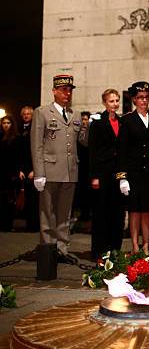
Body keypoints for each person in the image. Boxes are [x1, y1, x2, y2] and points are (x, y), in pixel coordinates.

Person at [30, 75, 88, 257]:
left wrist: (87, 126)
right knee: (47, 214)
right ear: (54, 91)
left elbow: (83, 142)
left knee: (65, 214)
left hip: (70, 172)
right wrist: (39, 173)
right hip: (49, 171)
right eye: (63, 90)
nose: (67, 93)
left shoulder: (75, 114)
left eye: (69, 90)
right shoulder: (42, 112)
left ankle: (62, 250)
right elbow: (36, 144)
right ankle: (48, 251)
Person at [117, 81, 149, 254]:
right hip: (135, 172)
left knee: (148, 210)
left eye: (146, 97)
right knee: (135, 210)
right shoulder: (127, 120)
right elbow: (122, 150)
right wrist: (122, 177)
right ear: (134, 100)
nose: (144, 100)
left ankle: (146, 245)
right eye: (140, 98)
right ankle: (135, 245)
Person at [89, 89, 125, 260]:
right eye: (111, 101)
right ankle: (99, 250)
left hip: (117, 172)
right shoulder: (97, 123)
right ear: (104, 102)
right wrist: (94, 176)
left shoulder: (122, 122)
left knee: (117, 212)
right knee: (101, 212)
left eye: (117, 100)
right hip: (102, 172)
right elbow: (93, 151)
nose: (115, 104)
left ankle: (114, 249)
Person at [18, 106, 39, 231]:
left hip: (34, 168)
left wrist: (35, 169)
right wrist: (19, 169)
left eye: (28, 114)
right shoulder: (19, 130)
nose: (26, 116)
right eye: (24, 114)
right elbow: (18, 152)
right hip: (23, 168)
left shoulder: (36, 129)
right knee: (25, 198)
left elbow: (37, 151)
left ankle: (34, 225)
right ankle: (27, 224)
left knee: (34, 200)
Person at [0, 115, 20, 231]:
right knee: (1, 199)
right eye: (4, 123)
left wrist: (17, 171)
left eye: (8, 123)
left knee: (10, 199)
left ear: (12, 124)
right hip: (1, 172)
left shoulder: (16, 138)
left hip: (11, 172)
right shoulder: (0, 137)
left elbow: (17, 157)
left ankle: (8, 224)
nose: (6, 125)